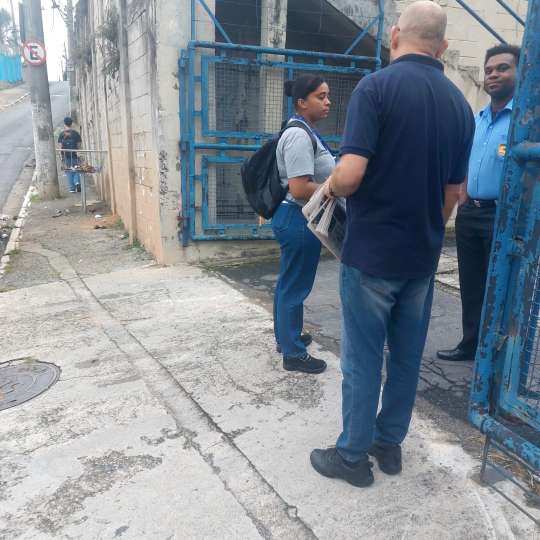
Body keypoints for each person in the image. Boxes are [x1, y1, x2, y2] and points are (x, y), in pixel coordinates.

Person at [309, 0, 475, 487]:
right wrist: (426, 231)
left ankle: (352, 458)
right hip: (421, 258)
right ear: (443, 46)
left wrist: (327, 188)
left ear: (395, 37)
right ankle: (389, 444)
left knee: (363, 358)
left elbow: (350, 175)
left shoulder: (375, 88)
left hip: (372, 255)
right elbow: (452, 195)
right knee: (404, 358)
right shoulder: (461, 106)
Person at [437, 44, 520, 363]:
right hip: (470, 213)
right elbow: (464, 160)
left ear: (520, 73)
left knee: (502, 286)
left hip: (503, 215)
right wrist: (462, 193)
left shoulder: (524, 122)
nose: (493, 75)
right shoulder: (477, 119)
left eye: (503, 68)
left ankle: (499, 353)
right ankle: (470, 344)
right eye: (488, 70)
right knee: (471, 283)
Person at [272, 75, 336, 374]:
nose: (327, 102)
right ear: (301, 102)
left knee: (289, 283)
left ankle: (287, 338)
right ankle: (293, 354)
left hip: (295, 217)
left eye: (327, 96)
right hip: (298, 219)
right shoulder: (299, 135)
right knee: (294, 287)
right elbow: (299, 188)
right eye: (320, 97)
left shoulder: (303, 130)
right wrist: (336, 187)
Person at [58, 117, 82, 193]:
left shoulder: (62, 134)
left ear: (64, 124)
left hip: (66, 156)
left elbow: (60, 147)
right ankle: (77, 182)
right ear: (71, 124)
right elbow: (79, 146)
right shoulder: (76, 133)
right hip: (74, 155)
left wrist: (61, 156)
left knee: (68, 171)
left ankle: (72, 188)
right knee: (77, 169)